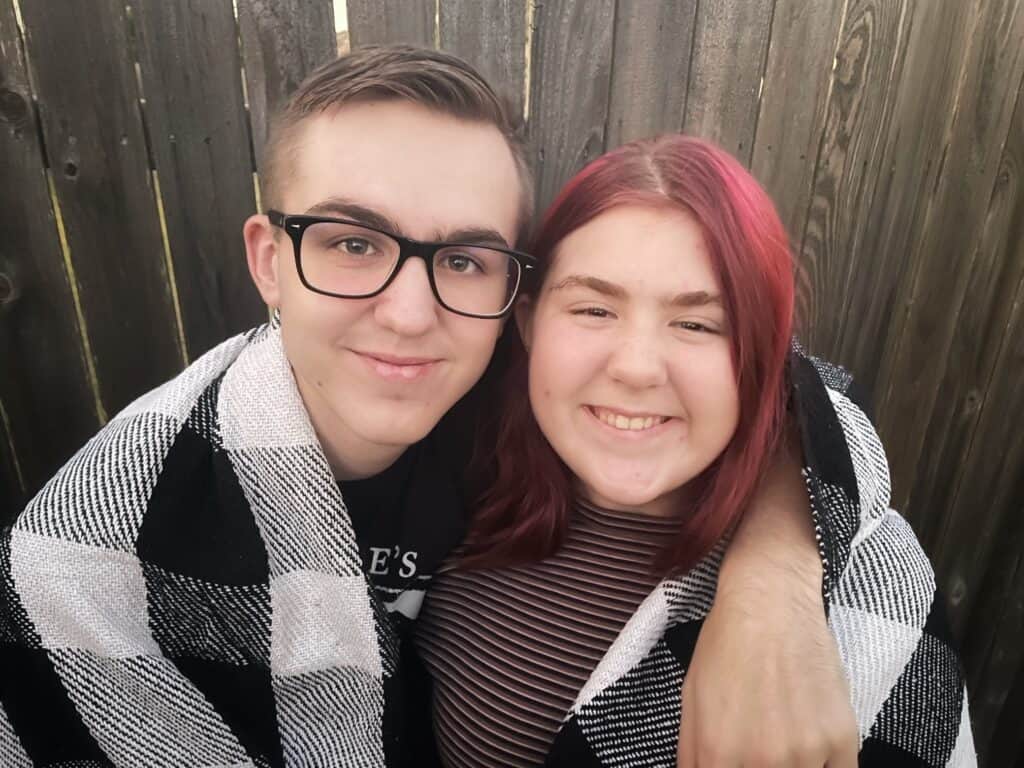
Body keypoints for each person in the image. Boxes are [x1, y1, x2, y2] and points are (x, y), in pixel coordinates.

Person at [0, 46, 851, 766]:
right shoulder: (96, 548)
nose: (410, 316)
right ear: (268, 262)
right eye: (353, 243)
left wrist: (773, 573)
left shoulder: (518, 396)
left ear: (511, 289)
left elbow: (785, 388)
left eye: (464, 259)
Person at [417, 135, 976, 767]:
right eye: (594, 308)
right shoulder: (449, 478)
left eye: (697, 324)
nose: (635, 368)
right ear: (527, 323)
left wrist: (777, 579)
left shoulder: (863, 605)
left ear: (761, 354)